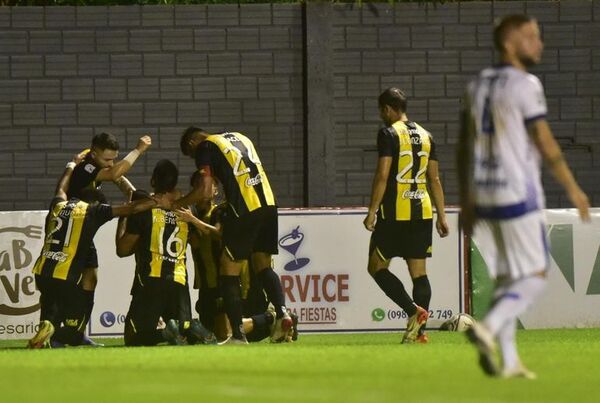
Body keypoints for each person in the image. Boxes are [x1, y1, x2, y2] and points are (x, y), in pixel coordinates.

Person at [457, 14, 590, 379]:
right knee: (535, 275)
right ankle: (488, 326)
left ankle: (511, 360)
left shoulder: (478, 85)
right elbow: (545, 143)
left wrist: (467, 200)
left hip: (485, 194)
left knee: (507, 278)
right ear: (511, 43)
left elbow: (463, 147)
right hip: (518, 194)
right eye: (532, 37)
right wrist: (574, 189)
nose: (540, 44)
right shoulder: (525, 85)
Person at [174, 127, 291, 344]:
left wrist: (175, 205)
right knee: (262, 264)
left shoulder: (205, 147)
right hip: (268, 204)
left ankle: (237, 335)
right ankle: (283, 314)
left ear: (192, 143)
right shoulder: (240, 137)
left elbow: (206, 191)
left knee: (228, 267)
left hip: (244, 208)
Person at [28, 156, 158, 348]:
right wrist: (157, 202)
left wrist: (70, 165)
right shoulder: (92, 212)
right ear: (95, 203)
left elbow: (61, 188)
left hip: (42, 272)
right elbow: (131, 208)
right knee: (73, 331)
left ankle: (47, 331)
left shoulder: (58, 205)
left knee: (50, 310)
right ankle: (61, 334)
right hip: (67, 277)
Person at [363, 88, 449, 344]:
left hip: (395, 213)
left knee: (376, 266)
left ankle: (413, 312)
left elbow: (383, 174)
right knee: (419, 273)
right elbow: (434, 178)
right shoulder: (427, 136)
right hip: (422, 211)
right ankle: (418, 334)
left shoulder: (388, 134)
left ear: (388, 109)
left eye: (381, 111)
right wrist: (442, 215)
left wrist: (372, 211)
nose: (381, 115)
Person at [115, 160, 216, 346]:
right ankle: (194, 327)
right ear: (175, 182)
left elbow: (122, 250)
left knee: (133, 338)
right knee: (183, 334)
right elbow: (195, 243)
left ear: (153, 181)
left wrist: (124, 215)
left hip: (151, 280)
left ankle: (164, 334)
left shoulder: (145, 209)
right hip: (179, 281)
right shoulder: (186, 208)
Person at [68, 132, 151, 345]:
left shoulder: (93, 159)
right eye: (107, 159)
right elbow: (114, 174)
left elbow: (118, 177)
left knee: (90, 278)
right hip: (71, 231)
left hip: (83, 231)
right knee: (69, 283)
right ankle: (62, 332)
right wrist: (138, 150)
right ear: (94, 153)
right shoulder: (86, 167)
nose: (111, 162)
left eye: (114, 158)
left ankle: (77, 333)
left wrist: (132, 193)